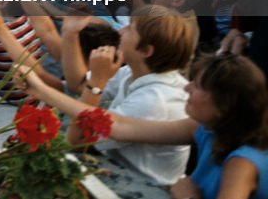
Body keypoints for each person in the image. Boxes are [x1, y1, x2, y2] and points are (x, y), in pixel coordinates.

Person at [24, 52, 268, 198]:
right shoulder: (203, 127)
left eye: (197, 86)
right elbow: (116, 125)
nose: (186, 87)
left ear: (224, 105)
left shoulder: (242, 162)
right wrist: (42, 91)